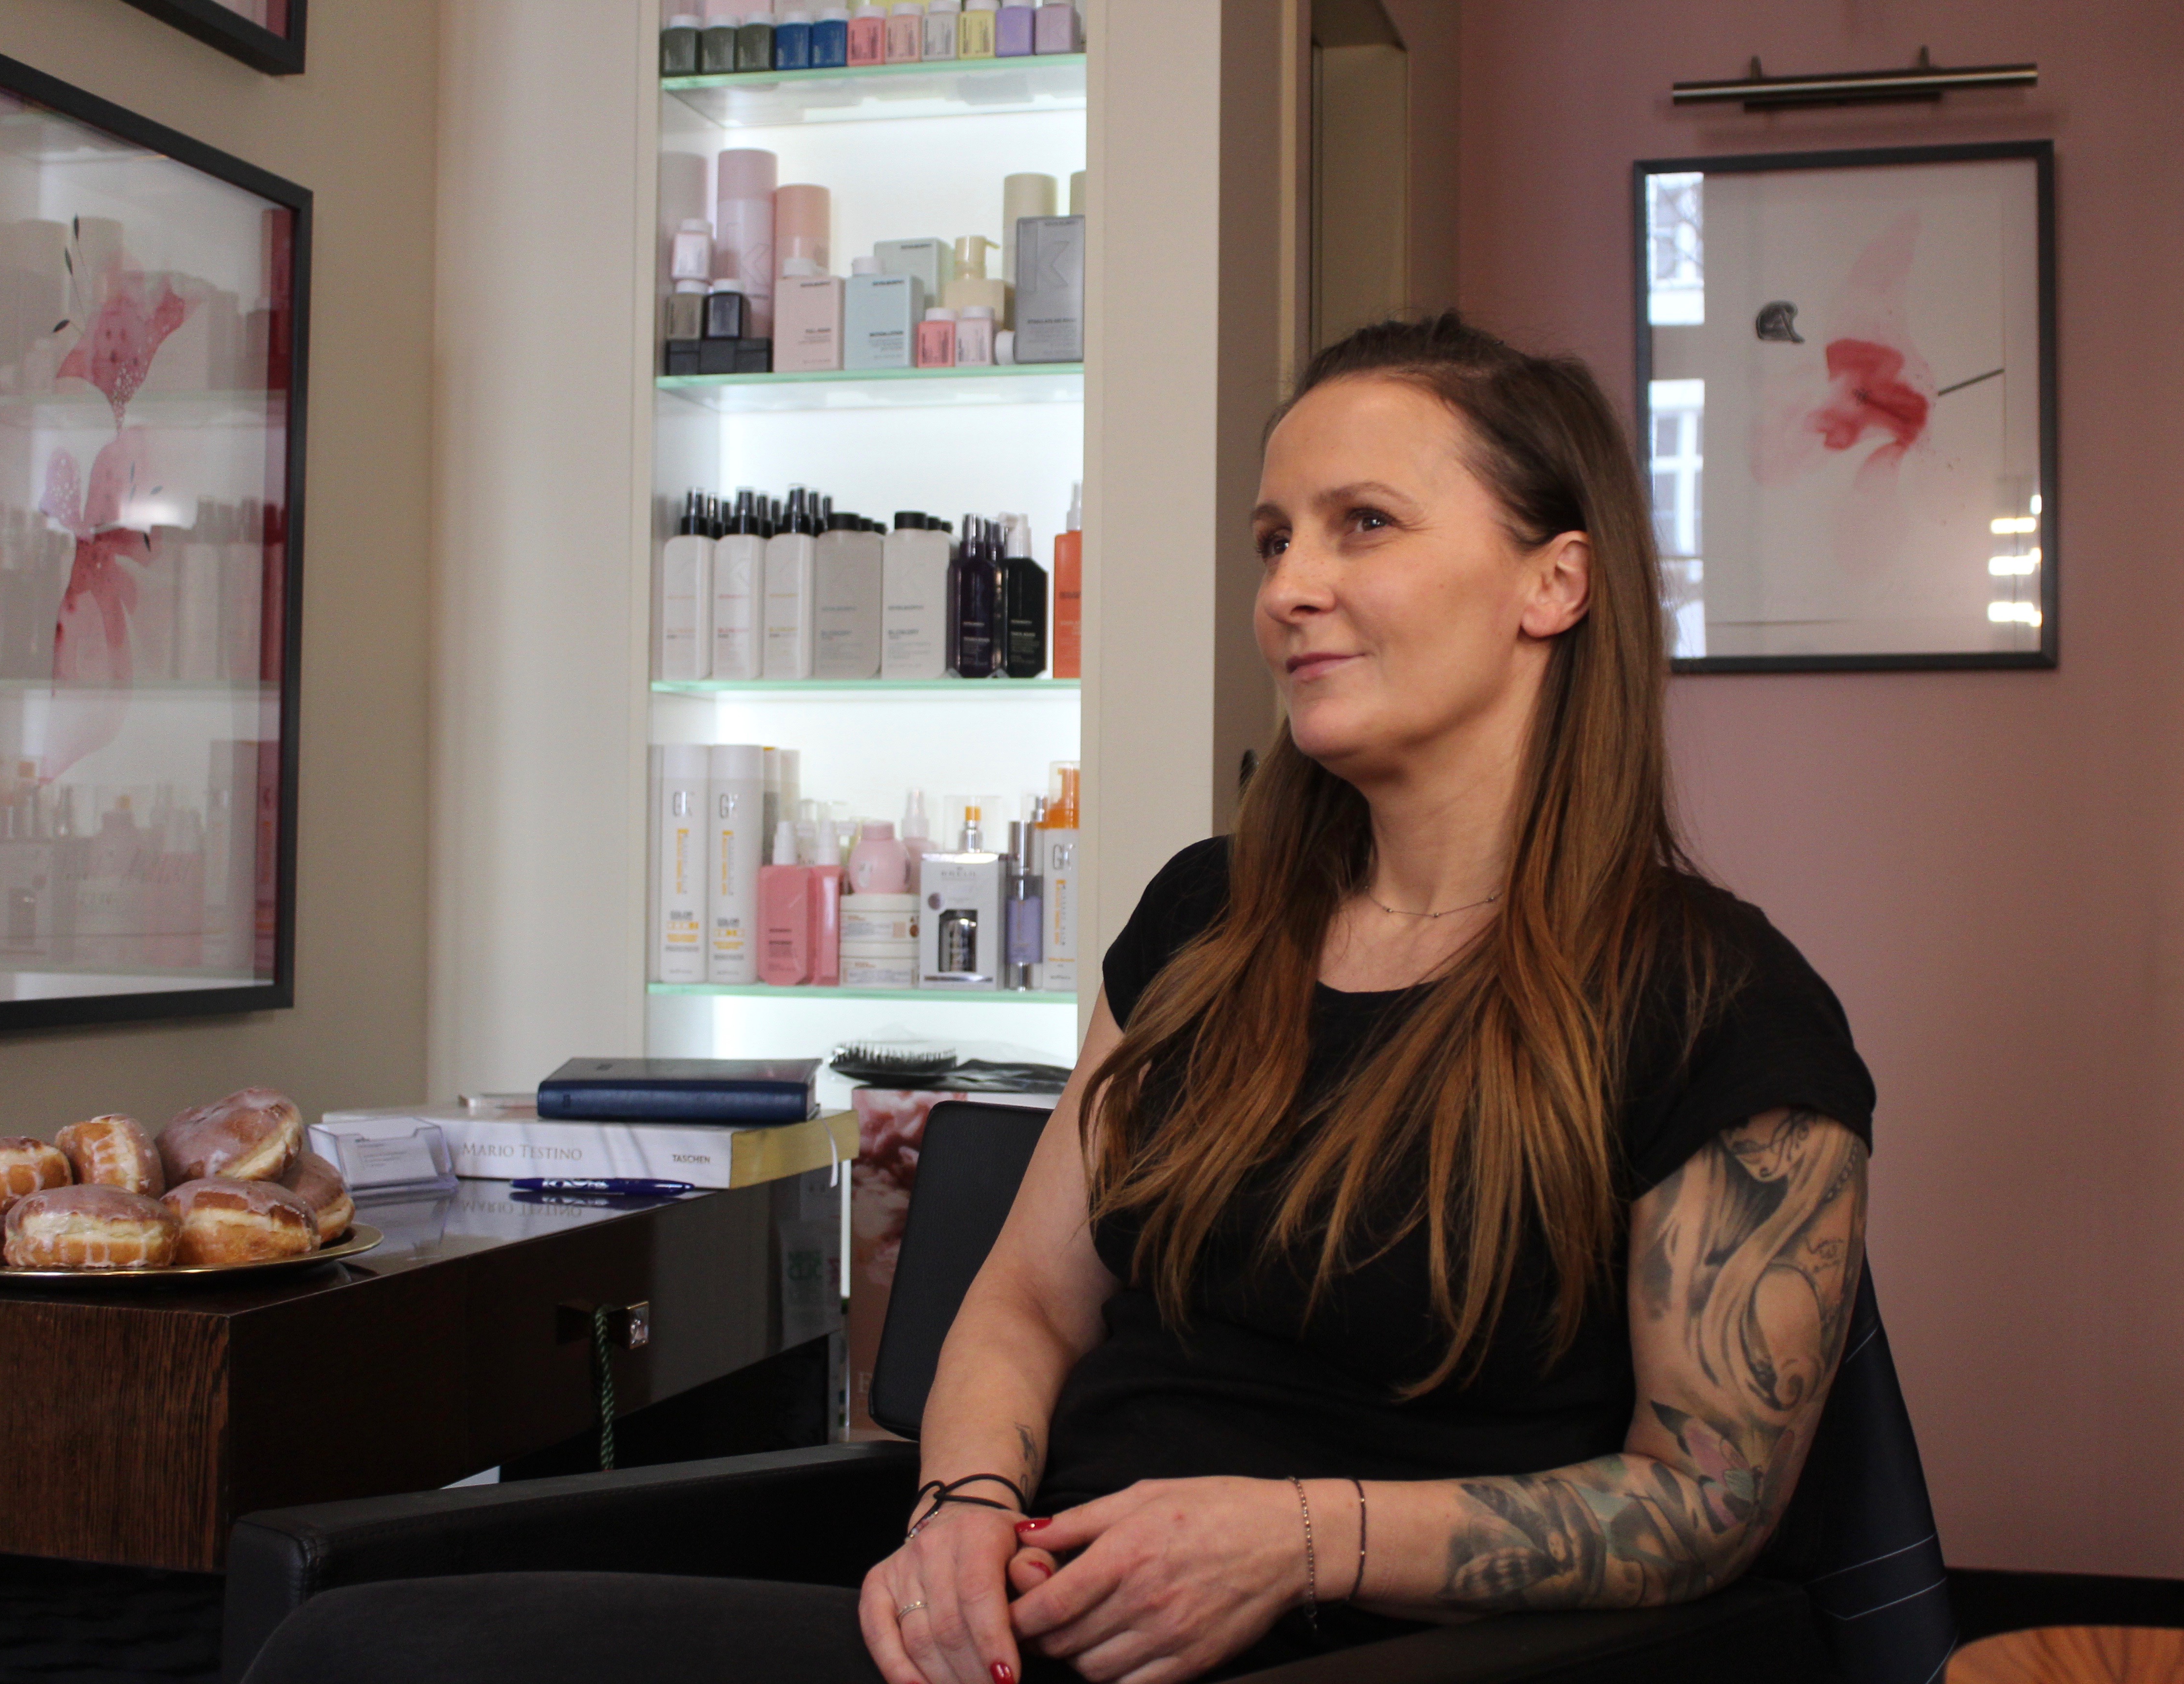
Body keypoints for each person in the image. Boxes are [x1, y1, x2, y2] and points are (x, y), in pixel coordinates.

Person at [244, 314, 1874, 1684]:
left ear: (1554, 583)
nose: (1289, 587)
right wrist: (957, 1509)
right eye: (1274, 539)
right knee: (354, 1647)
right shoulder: (1206, 922)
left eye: (1363, 524)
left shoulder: (1718, 1007)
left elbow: (1708, 1502)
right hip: (1038, 1624)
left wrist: (1298, 1535)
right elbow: (1029, 1300)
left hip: (1360, 1649)